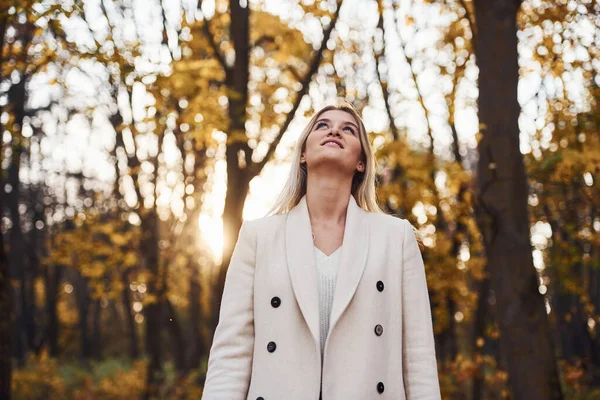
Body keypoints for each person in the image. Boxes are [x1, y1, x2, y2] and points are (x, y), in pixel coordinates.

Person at [201, 101, 441, 399]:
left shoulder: (396, 238)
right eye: (323, 125)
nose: (335, 131)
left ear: (361, 162)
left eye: (348, 129)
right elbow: (230, 356)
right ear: (303, 154)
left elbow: (418, 359)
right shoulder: (258, 236)